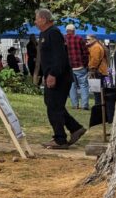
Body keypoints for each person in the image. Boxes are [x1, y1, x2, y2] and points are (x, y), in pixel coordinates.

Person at [36, 8, 85, 149]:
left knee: (54, 107)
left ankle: (60, 139)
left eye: (37, 18)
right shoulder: (44, 33)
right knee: (53, 105)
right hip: (50, 75)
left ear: (44, 19)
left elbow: (60, 57)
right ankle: (75, 128)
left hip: (59, 77)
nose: (35, 21)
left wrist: (53, 74)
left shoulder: (54, 33)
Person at [65, 23, 91, 110]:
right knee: (83, 85)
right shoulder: (79, 38)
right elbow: (86, 53)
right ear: (74, 31)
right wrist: (85, 64)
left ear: (66, 31)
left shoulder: (63, 39)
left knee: (72, 86)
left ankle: (75, 105)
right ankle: (85, 105)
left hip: (68, 67)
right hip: (80, 66)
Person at [86, 34, 108, 106]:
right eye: (87, 39)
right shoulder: (96, 46)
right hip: (100, 71)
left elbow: (95, 60)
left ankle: (98, 106)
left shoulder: (95, 47)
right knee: (99, 91)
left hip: (98, 71)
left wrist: (91, 69)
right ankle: (100, 106)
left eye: (89, 39)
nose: (87, 41)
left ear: (94, 39)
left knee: (97, 92)